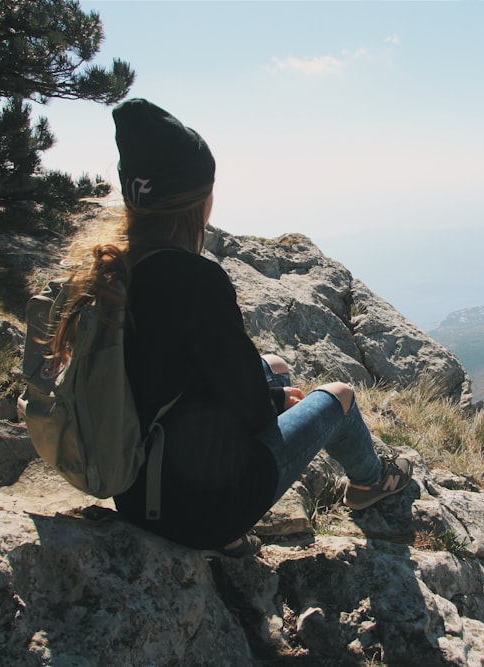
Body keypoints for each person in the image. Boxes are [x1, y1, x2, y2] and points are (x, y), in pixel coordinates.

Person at [52, 98, 413, 557]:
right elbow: (248, 406)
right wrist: (278, 399)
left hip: (136, 490)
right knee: (339, 396)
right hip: (201, 509)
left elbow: (163, 376)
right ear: (194, 201)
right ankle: (371, 483)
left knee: (276, 365)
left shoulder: (112, 270)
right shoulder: (194, 280)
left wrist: (272, 386)